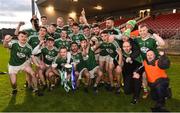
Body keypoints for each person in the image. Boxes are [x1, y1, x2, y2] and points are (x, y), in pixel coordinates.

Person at [3, 31, 42, 96]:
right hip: (13, 65)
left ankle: (36, 89)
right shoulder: (14, 44)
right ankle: (14, 89)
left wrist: (37, 64)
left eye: (25, 37)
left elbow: (32, 56)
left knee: (33, 74)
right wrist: (6, 41)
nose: (24, 38)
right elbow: (5, 46)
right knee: (13, 83)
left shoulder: (29, 47)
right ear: (18, 37)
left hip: (23, 64)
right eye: (22, 36)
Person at [134, 23, 165, 99]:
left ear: (147, 30)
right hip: (145, 62)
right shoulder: (137, 39)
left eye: (144, 30)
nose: (142, 32)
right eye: (140, 31)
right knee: (144, 75)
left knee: (158, 78)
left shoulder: (152, 39)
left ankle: (163, 91)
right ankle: (145, 90)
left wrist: (154, 34)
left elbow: (162, 44)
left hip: (155, 62)